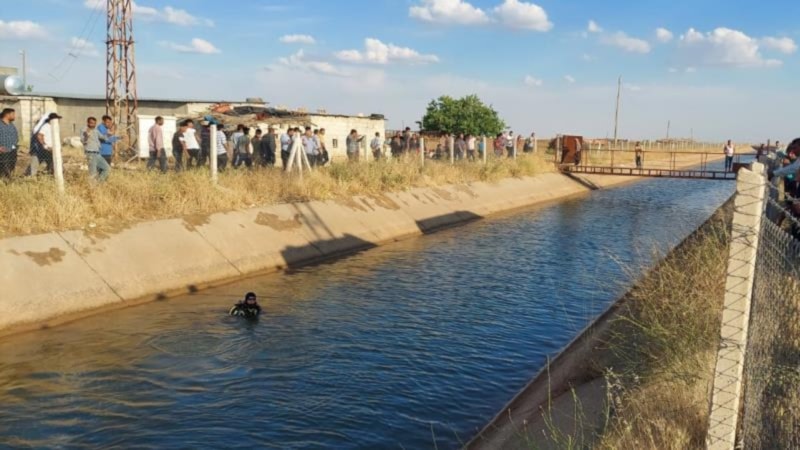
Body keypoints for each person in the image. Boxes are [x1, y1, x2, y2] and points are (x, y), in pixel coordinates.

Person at [27, 112, 62, 176]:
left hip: (53, 149)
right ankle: (31, 176)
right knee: (36, 162)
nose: (58, 120)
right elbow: (40, 136)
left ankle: (51, 174)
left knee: (53, 163)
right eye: (57, 119)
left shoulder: (55, 126)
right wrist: (45, 145)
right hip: (46, 149)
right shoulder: (45, 126)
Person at [81, 117, 111, 182]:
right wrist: (86, 136)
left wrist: (108, 134)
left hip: (97, 154)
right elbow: (83, 141)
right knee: (93, 174)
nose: (93, 125)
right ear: (88, 123)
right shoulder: (84, 130)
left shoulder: (96, 131)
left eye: (94, 123)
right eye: (91, 123)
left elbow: (103, 137)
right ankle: (92, 189)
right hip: (90, 154)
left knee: (107, 169)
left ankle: (98, 184)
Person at [0, 108, 19, 179]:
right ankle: (6, 182)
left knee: (11, 166)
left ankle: (7, 180)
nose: (14, 116)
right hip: (3, 151)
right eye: (13, 114)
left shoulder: (12, 125)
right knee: (4, 168)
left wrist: (15, 145)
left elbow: (16, 136)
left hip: (12, 150)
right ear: (7, 115)